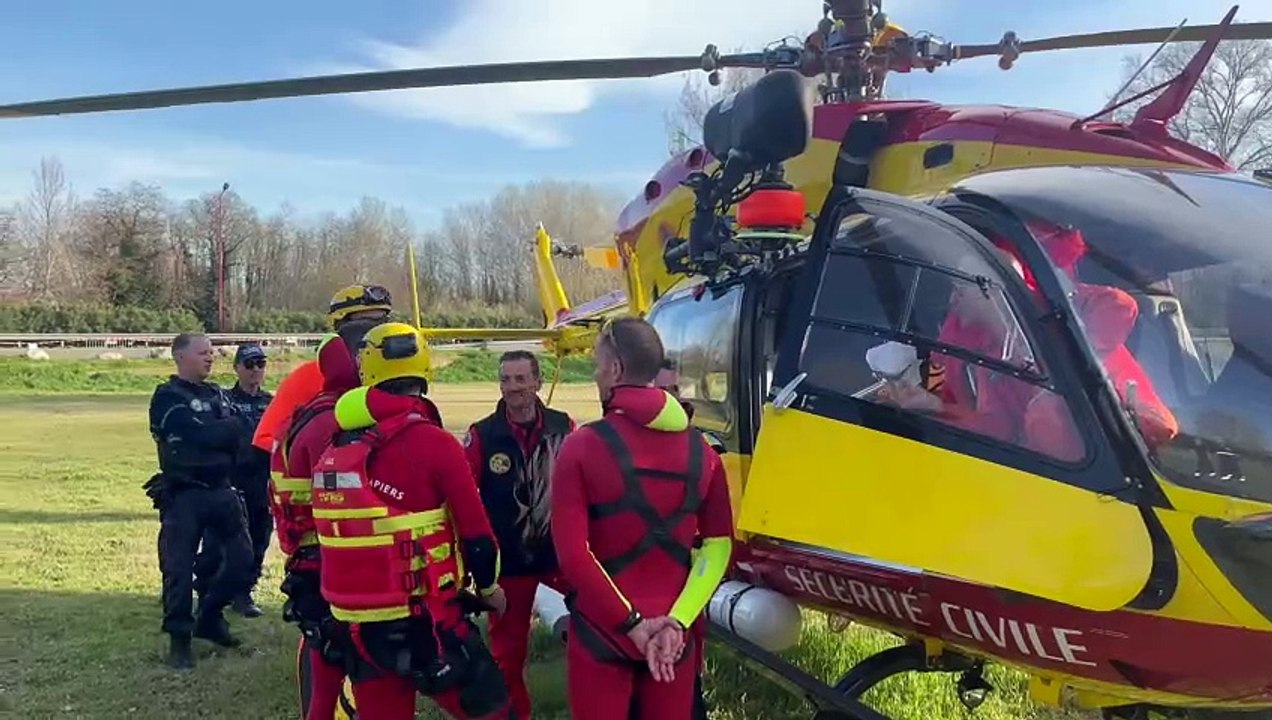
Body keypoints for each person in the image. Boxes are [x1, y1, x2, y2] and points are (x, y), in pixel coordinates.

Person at [312, 322, 514, 720]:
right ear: (424, 368)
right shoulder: (434, 443)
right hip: (426, 620)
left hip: (357, 627)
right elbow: (477, 535)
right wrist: (489, 589)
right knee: (494, 712)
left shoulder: (337, 444)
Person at [551, 317, 735, 720]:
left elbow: (573, 555)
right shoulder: (704, 452)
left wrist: (632, 624)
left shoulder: (581, 446)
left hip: (602, 631)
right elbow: (718, 547)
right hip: (674, 637)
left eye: (598, 366)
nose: (596, 376)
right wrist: (677, 621)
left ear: (616, 369)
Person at [464, 350, 576, 718]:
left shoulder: (564, 427)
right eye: (505, 380)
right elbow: (465, 499)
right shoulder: (482, 435)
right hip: (509, 563)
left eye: (520, 379)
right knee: (508, 656)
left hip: (560, 557)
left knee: (594, 636)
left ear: (538, 382)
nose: (513, 387)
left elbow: (583, 486)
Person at [269, 329, 365, 720]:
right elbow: (347, 493)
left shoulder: (308, 414)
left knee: (321, 644)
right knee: (336, 649)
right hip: (329, 551)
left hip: (308, 549)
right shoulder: (333, 422)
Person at [144, 332, 255, 669]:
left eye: (211, 352)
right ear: (180, 357)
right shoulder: (168, 397)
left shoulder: (217, 394)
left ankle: (209, 616)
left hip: (222, 490)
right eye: (202, 352)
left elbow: (242, 431)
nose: (210, 357)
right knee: (178, 569)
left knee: (242, 562)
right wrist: (223, 431)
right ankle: (179, 639)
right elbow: (196, 434)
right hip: (184, 494)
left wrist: (220, 432)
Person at [252, 284, 392, 455]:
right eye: (366, 325)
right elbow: (265, 439)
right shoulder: (310, 376)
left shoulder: (399, 378)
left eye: (382, 324)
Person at [652, 359, 714, 720]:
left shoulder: (699, 447)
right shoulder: (617, 446)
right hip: (643, 579)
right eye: (662, 391)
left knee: (688, 665)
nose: (671, 398)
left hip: (688, 578)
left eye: (675, 389)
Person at [196, 343, 274, 618]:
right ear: (237, 368)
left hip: (263, 480)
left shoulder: (272, 403)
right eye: (249, 364)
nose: (255, 370)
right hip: (231, 478)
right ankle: (205, 590)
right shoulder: (224, 400)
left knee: (259, 537)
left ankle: (243, 592)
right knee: (218, 540)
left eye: (260, 364)